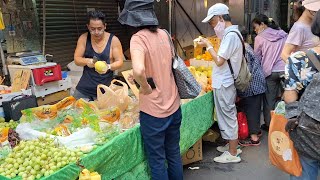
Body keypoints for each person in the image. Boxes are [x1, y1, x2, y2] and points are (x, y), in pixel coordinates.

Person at [118, 0, 183, 179]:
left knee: (157, 160)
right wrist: (142, 77)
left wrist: (145, 87)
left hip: (154, 113)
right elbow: (163, 65)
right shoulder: (164, 34)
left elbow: (139, 69)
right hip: (174, 106)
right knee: (174, 154)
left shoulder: (138, 38)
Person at [200, 3, 242, 163]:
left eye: (212, 22)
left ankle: (232, 153)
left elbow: (219, 61)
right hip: (224, 82)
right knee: (226, 115)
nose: (212, 26)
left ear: (220, 18)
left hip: (225, 83)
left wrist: (208, 46)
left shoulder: (231, 36)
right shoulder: (230, 34)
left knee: (228, 116)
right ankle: (232, 146)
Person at [284, 10, 320, 180]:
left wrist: (293, 119)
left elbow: (290, 94)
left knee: (306, 168)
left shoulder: (299, 59)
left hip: (309, 130)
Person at [73, 10, 124, 101]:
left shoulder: (113, 40)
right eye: (92, 29)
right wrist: (88, 61)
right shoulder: (84, 38)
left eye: (99, 28)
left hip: (105, 89)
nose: (96, 32)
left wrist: (108, 66)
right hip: (85, 87)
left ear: (105, 26)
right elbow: (77, 59)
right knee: (76, 111)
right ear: (88, 27)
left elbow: (120, 62)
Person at [252, 14, 287, 131]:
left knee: (269, 100)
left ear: (262, 24)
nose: (255, 30)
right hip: (285, 69)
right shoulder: (283, 34)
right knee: (288, 98)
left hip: (270, 72)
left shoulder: (259, 38)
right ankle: (287, 124)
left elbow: (257, 57)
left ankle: (270, 125)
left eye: (255, 27)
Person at [238, 29, 266, 146]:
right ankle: (256, 131)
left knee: (251, 110)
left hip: (252, 85)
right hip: (256, 83)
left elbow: (246, 71)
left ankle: (254, 138)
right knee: (254, 108)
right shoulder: (246, 46)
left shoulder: (243, 49)